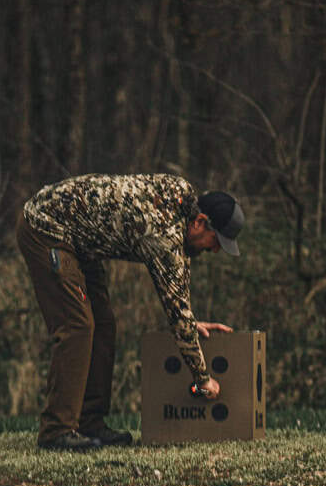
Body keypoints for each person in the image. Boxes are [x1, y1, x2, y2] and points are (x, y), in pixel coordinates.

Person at [17, 173, 245, 451]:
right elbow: (174, 298)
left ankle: (90, 423)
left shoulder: (183, 193)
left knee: (103, 325)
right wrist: (202, 379)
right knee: (78, 326)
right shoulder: (161, 235)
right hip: (46, 227)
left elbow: (177, 297)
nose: (215, 251)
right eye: (216, 241)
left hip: (82, 240)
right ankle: (57, 430)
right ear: (199, 222)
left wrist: (188, 321)